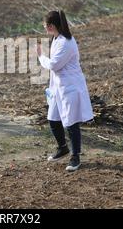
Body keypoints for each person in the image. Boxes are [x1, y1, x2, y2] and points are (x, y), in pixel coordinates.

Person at [37, 10, 94, 172]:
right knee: (53, 119)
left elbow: (54, 65)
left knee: (71, 122)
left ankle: (75, 156)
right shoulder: (57, 39)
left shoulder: (66, 42)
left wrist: (41, 57)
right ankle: (62, 148)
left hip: (70, 87)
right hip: (58, 87)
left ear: (51, 26)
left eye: (45, 26)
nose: (44, 28)